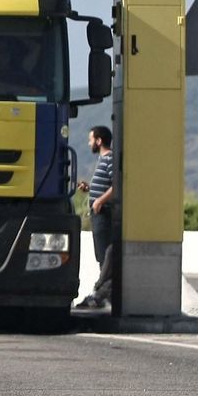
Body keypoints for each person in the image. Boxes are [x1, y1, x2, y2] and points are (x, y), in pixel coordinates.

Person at [77, 125, 116, 309]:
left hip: (103, 214)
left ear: (99, 141)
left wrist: (99, 200)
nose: (89, 143)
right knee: (101, 256)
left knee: (105, 255)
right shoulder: (104, 159)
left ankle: (101, 293)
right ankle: (103, 294)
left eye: (91, 139)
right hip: (97, 213)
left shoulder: (109, 159)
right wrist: (91, 190)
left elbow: (116, 186)